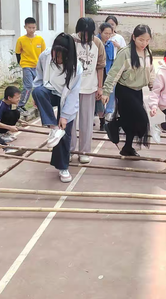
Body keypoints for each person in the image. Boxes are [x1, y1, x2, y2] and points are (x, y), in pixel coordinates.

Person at [32, 33, 83, 183]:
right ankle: (53, 127)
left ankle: (63, 167)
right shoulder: (45, 56)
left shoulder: (77, 68)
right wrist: (37, 98)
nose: (57, 59)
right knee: (38, 91)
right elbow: (39, 77)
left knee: (64, 133)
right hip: (49, 91)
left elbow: (73, 94)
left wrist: (65, 116)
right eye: (56, 55)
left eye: (61, 57)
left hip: (66, 97)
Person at [102, 24, 155, 157]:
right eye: (141, 40)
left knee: (132, 121)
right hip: (125, 90)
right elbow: (114, 73)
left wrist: (152, 85)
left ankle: (127, 147)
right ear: (134, 37)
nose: (144, 43)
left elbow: (151, 71)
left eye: (147, 40)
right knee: (142, 120)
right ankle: (114, 124)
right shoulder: (125, 53)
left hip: (138, 91)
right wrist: (106, 92)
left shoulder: (148, 53)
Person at [70, 18, 106, 164]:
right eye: (83, 33)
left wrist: (100, 87)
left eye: (89, 33)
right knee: (70, 121)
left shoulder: (97, 43)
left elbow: (100, 66)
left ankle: (84, 151)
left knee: (86, 121)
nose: (85, 36)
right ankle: (70, 150)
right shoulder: (71, 40)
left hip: (89, 88)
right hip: (71, 88)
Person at [15, 17, 46, 115]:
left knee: (39, 87)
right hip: (26, 66)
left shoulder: (40, 40)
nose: (31, 30)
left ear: (36, 27)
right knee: (28, 86)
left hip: (37, 67)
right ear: (25, 27)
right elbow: (17, 53)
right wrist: (22, 64)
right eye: (29, 27)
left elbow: (44, 54)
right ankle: (20, 105)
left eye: (33, 27)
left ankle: (38, 103)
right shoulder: (21, 40)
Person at [95, 22, 116, 131]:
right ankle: (100, 118)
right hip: (95, 73)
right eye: (105, 33)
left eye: (110, 34)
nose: (107, 36)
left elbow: (111, 60)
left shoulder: (110, 44)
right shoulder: (95, 42)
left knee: (102, 96)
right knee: (97, 96)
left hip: (106, 73)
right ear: (100, 32)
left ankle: (102, 118)